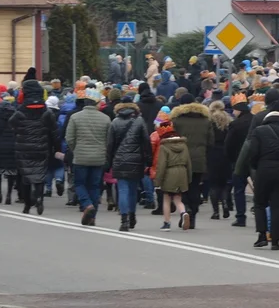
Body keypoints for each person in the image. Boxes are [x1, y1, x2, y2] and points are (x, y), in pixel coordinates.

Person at [238, 108, 279, 249]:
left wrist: (256, 166)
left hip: (264, 170)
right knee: (277, 205)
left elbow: (253, 152)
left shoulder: (259, 131)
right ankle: (275, 241)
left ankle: (262, 235)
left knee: (260, 203)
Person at [9, 79, 60, 216]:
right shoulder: (46, 112)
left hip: (24, 148)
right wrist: (58, 148)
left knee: (26, 177)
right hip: (42, 147)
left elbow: (11, 124)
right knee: (40, 175)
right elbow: (55, 132)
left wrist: (19, 132)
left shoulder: (20, 112)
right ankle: (39, 198)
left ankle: (27, 205)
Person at [65, 89, 112, 227]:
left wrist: (76, 149)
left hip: (80, 157)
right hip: (98, 157)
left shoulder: (75, 117)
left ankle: (87, 205)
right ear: (96, 103)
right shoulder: (105, 118)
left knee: (79, 183)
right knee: (94, 186)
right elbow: (108, 140)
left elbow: (69, 138)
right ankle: (93, 217)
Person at [106, 99, 151, 232]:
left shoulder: (115, 122)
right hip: (136, 160)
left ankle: (124, 220)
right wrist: (148, 159)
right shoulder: (139, 121)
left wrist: (108, 162)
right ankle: (132, 216)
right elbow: (146, 141)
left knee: (123, 190)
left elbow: (110, 145)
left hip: (119, 160)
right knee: (132, 190)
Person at [170, 95, 214, 230]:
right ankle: (192, 216)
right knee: (195, 186)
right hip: (198, 159)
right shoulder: (206, 121)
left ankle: (185, 209)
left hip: (180, 158)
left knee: (182, 186)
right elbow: (211, 142)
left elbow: (170, 139)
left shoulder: (177, 120)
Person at [154, 126, 191, 231]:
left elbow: (162, 165)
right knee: (178, 198)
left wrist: (158, 181)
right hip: (182, 172)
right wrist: (188, 178)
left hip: (170, 173)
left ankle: (167, 223)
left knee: (166, 198)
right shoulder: (184, 145)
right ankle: (184, 213)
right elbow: (188, 163)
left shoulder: (164, 147)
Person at [225, 94, 253, 227]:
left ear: (239, 110)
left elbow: (228, 144)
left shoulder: (235, 124)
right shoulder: (255, 120)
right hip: (254, 159)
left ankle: (241, 217)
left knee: (239, 189)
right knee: (259, 188)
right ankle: (263, 212)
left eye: (234, 110)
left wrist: (230, 160)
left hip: (238, 160)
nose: (233, 113)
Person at [206, 101, 232, 221]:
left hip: (212, 154)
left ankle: (216, 211)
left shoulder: (209, 122)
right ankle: (225, 202)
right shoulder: (229, 121)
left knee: (213, 185)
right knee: (224, 183)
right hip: (226, 153)